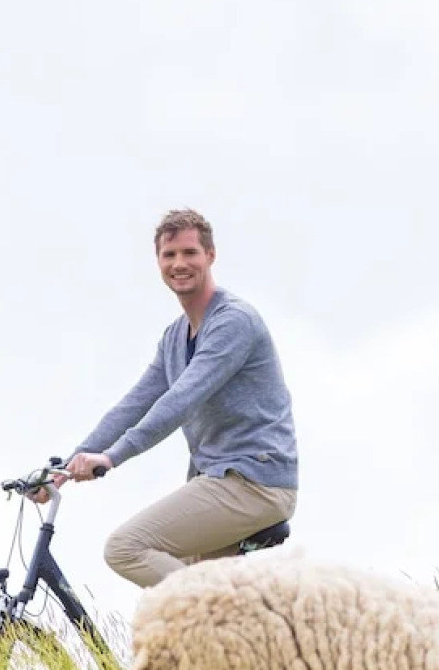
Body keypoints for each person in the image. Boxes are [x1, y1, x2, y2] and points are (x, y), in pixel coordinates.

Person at [44, 208, 299, 588]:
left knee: (126, 548)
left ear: (210, 255)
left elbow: (181, 400)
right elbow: (134, 404)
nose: (179, 263)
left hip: (255, 482)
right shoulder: (175, 338)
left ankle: (198, 611)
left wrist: (112, 458)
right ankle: (229, 622)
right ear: (158, 262)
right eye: (169, 255)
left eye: (190, 253)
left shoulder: (233, 322)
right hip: (219, 480)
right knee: (202, 603)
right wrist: (65, 467)